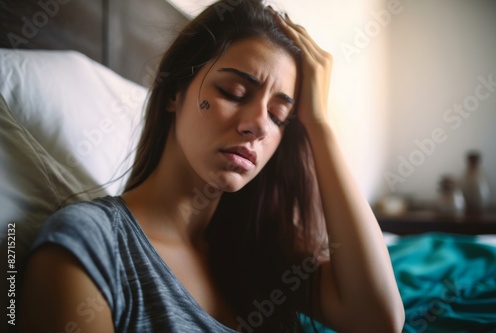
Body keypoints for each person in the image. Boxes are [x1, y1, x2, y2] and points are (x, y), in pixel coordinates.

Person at [20, 0, 404, 332]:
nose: (257, 124)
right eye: (233, 92)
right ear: (174, 93)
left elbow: (378, 320)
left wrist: (319, 127)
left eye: (279, 115)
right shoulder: (93, 246)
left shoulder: (258, 251)